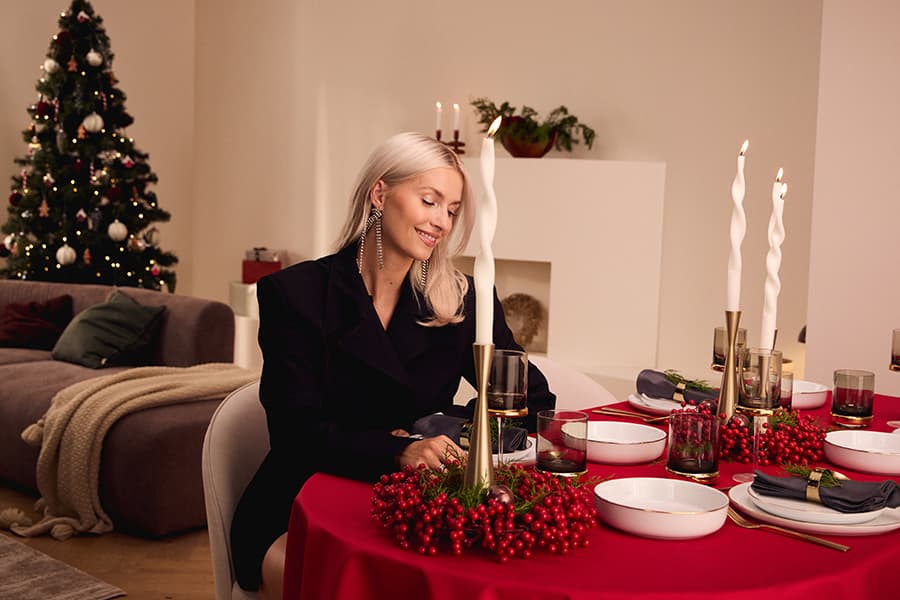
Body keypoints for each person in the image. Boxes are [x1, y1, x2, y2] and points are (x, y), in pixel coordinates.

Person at [231, 132, 556, 598]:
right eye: (430, 200)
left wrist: (437, 431)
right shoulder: (295, 294)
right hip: (300, 502)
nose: (442, 221)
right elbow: (296, 433)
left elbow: (531, 401)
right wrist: (396, 450)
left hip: (419, 506)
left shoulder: (463, 298)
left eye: (453, 209)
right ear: (380, 194)